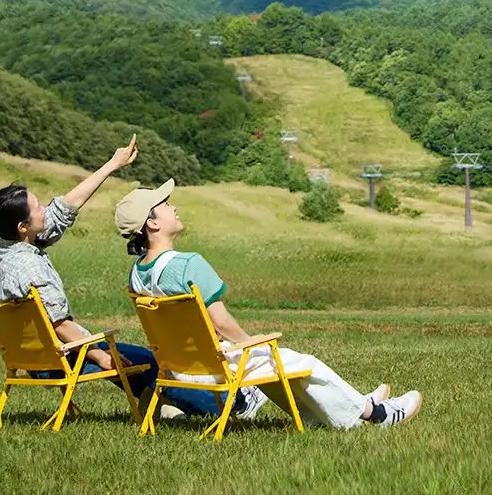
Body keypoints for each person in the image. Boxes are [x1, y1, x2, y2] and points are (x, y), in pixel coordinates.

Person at [0, 136, 265, 419]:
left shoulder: (9, 248)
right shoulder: (29, 267)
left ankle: (163, 406)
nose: (44, 208)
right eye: (37, 208)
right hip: (57, 356)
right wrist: (99, 355)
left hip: (34, 353)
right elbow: (58, 323)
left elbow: (64, 209)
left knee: (141, 359)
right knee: (149, 364)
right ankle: (234, 406)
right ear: (23, 226)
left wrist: (113, 164)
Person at [115, 180, 423, 428]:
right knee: (305, 364)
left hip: (181, 371)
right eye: (165, 205)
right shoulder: (188, 265)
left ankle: (336, 409)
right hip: (217, 369)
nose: (174, 207)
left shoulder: (136, 275)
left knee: (283, 365)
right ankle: (377, 413)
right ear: (152, 224)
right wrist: (250, 343)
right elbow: (221, 323)